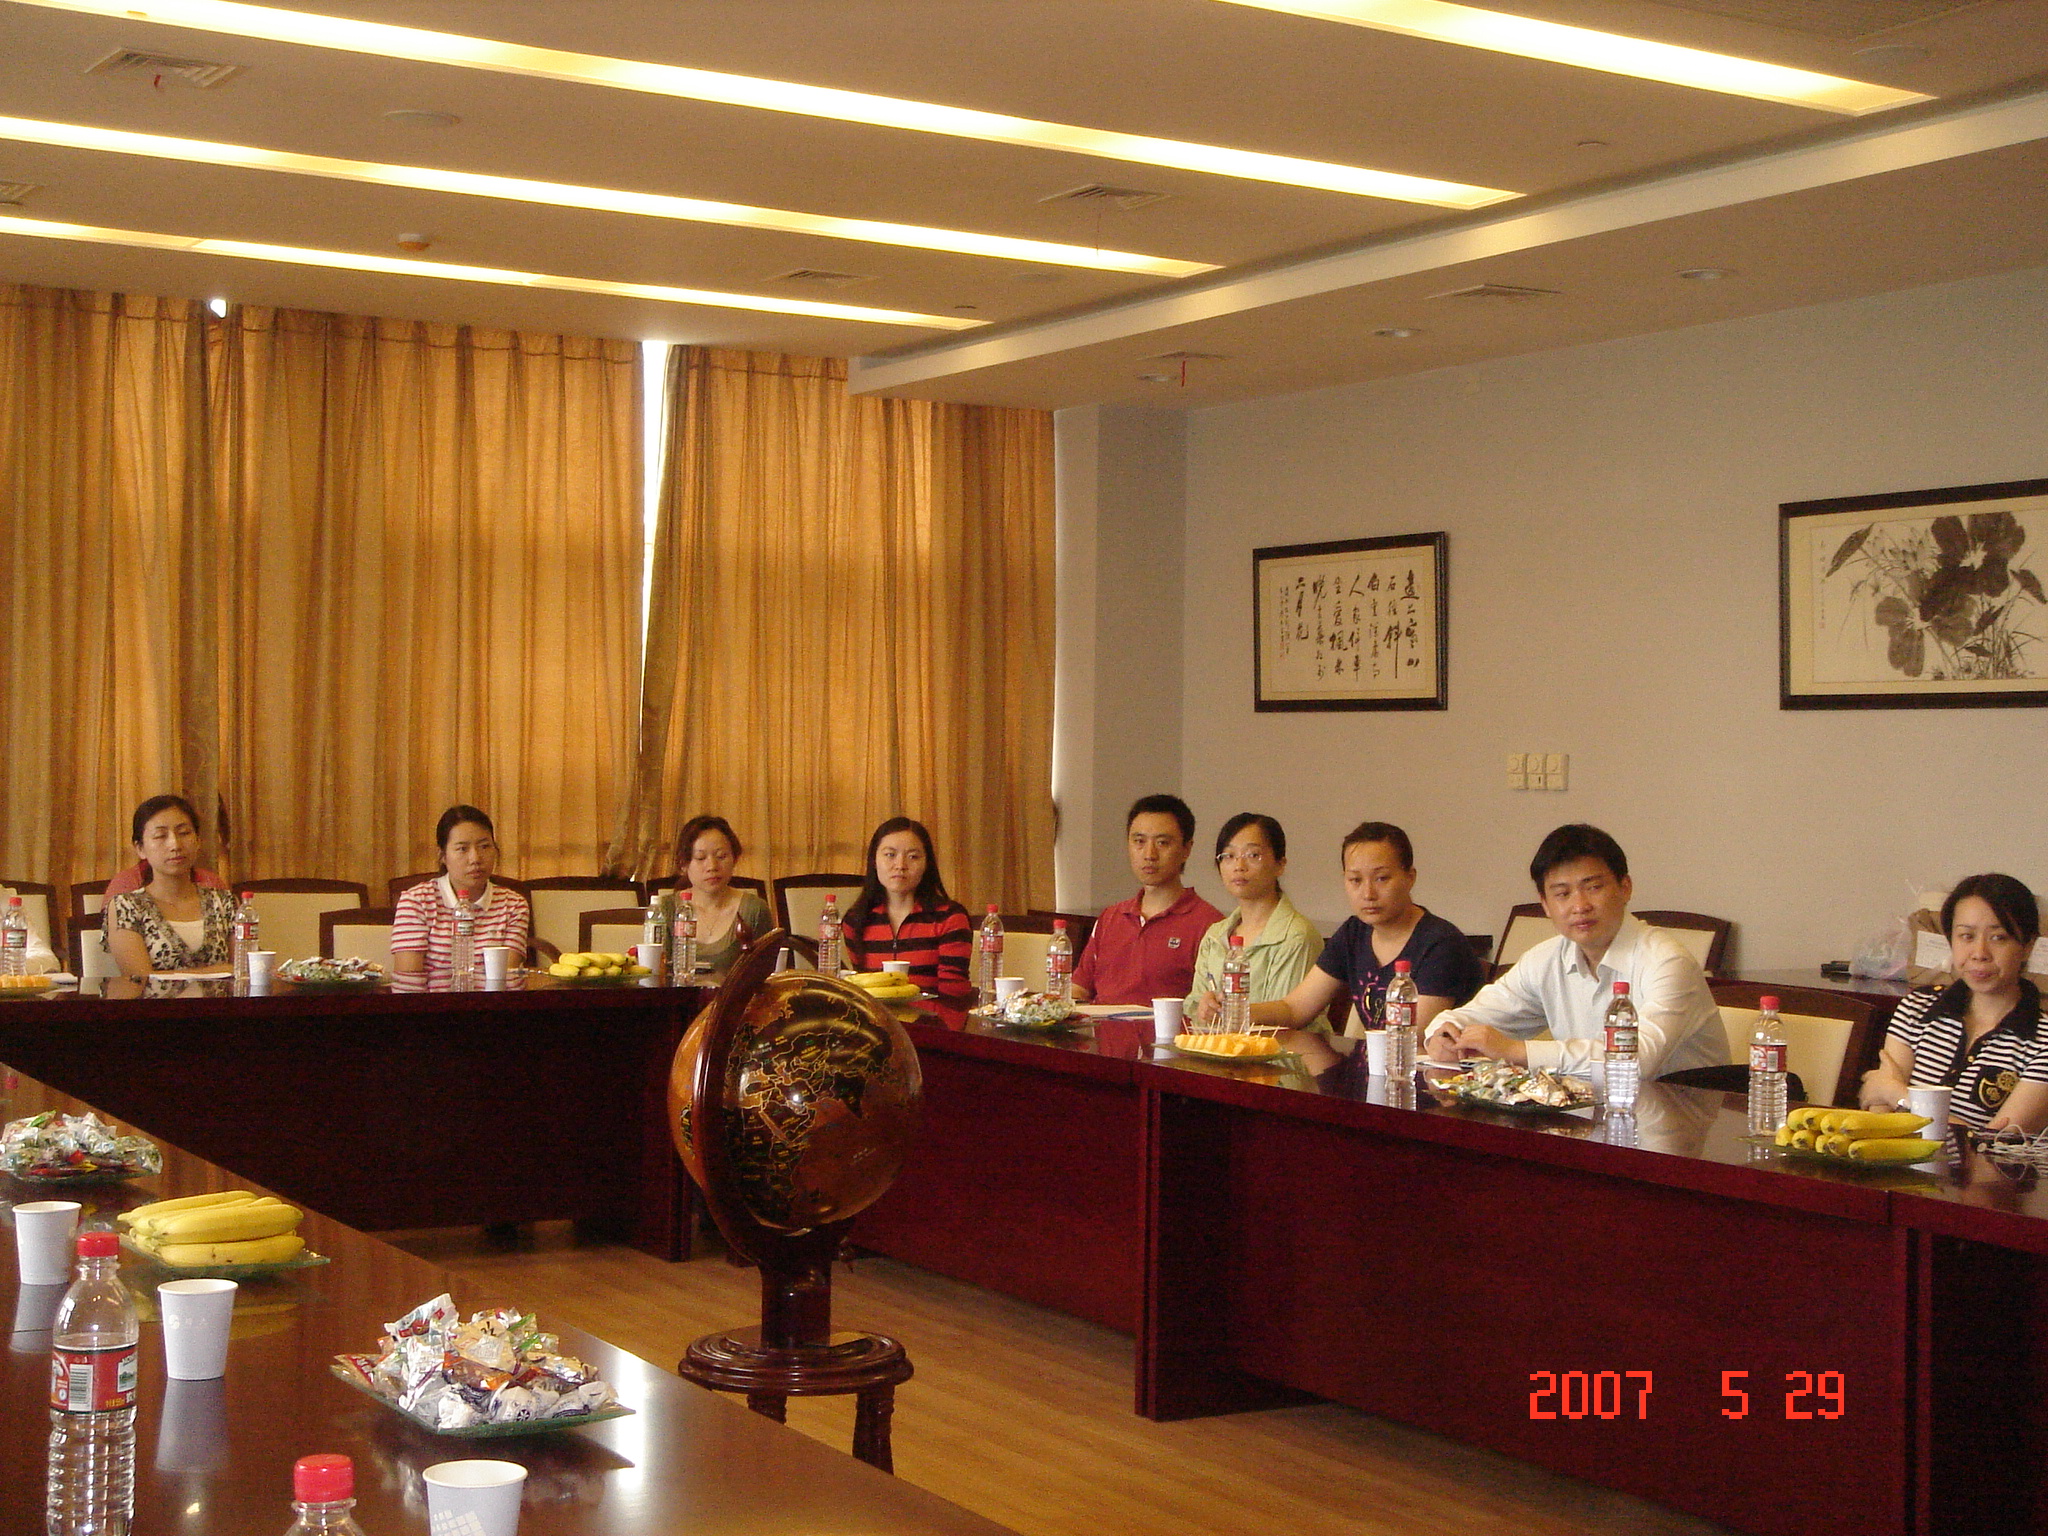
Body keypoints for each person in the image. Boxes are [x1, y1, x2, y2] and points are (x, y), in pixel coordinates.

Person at [1424, 824, 1726, 1079]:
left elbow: (1635, 1060)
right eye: (1562, 894)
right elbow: (1468, 1017)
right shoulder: (1544, 959)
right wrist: (1443, 1035)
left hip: (1683, 1120)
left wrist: (1518, 1051)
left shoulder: (1668, 961)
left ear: (1625, 888)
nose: (1579, 906)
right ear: (1545, 904)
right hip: (1586, 1117)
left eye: (1593, 887)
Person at [1247, 821, 1482, 1038]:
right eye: (1355, 880)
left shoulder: (1441, 944)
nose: (1368, 894)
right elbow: (1294, 1009)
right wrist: (1235, 1011)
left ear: (1410, 877)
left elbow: (1412, 1038)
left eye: (1382, 878)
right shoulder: (1354, 932)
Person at [1861, 873, 2046, 1135]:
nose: (1979, 953)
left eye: (1998, 937)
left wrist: (1898, 1094)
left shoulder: (2043, 1040)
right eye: (1966, 936)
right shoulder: (1917, 1008)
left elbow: (1993, 1142)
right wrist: (1887, 1097)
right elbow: (1878, 1108)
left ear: (2028, 946)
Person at [1071, 794, 1222, 1006]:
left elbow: (1211, 1007)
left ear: (1186, 849)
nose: (1149, 854)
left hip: (1165, 1028)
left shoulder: (1210, 925)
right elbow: (1079, 988)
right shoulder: (1111, 917)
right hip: (1100, 1026)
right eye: (1139, 841)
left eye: (1162, 843)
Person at [1186, 813, 1324, 1027]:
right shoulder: (1215, 935)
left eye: (1253, 855)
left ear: (1280, 864)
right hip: (1220, 1045)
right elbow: (1194, 1008)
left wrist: (1228, 1013)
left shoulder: (1296, 936)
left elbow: (1285, 1020)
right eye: (1228, 856)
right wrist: (1204, 1008)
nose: (1239, 866)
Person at [391, 805, 532, 983]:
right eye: (462, 849)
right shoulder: (416, 901)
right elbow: (408, 981)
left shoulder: (513, 905)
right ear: (443, 856)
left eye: (484, 846)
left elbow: (505, 979)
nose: (475, 859)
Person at [841, 817, 973, 1004]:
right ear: (874, 861)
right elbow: (864, 990)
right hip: (877, 1020)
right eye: (890, 855)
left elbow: (954, 994)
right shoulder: (856, 920)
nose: (900, 865)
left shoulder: (950, 918)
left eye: (913, 857)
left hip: (934, 1019)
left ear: (927, 864)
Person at [106, 795, 238, 981]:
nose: (175, 845)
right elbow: (140, 979)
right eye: (160, 836)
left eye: (184, 833)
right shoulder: (126, 906)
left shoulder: (225, 902)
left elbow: (244, 970)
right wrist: (219, 971)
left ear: (198, 840)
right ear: (140, 848)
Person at [670, 814, 773, 975]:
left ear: (734, 859)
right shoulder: (666, 909)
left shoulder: (754, 910)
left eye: (721, 856)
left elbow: (765, 975)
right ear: (684, 864)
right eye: (700, 858)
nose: (712, 866)